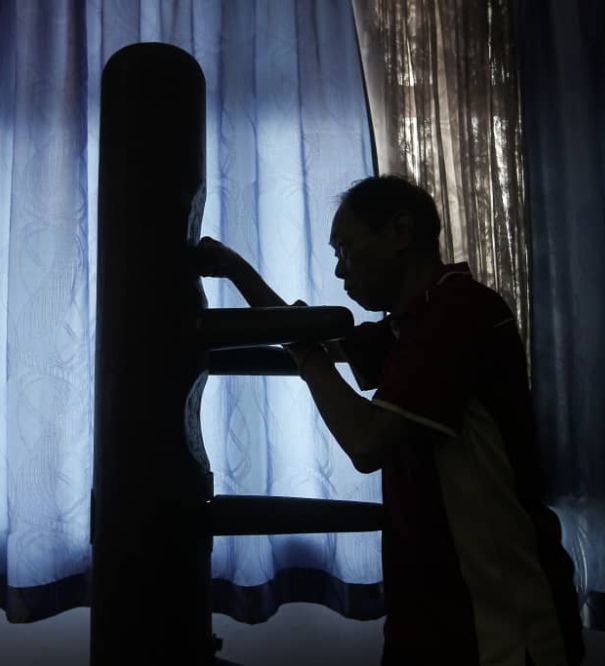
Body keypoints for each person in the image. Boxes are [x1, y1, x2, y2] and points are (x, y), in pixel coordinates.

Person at [195, 175, 585, 666]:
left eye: (346, 248)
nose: (340, 271)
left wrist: (308, 357)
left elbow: (366, 443)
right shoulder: (412, 324)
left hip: (501, 625)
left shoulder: (460, 314)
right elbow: (296, 332)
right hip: (430, 618)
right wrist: (233, 268)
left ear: (400, 233)